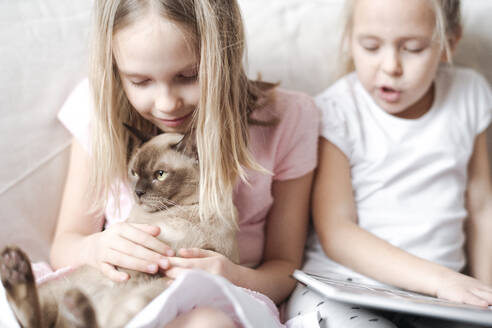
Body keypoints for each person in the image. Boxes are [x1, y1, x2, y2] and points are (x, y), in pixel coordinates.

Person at [49, 0, 319, 327]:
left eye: (188, 76)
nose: (167, 103)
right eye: (140, 81)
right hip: (115, 296)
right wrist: (96, 248)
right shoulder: (101, 111)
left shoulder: (286, 118)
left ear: (225, 56)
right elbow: (65, 244)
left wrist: (231, 275)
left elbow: (285, 266)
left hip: (215, 302)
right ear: (115, 68)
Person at [285, 0, 492, 327]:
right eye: (370, 46)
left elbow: (482, 209)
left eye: (412, 48)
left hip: (438, 300)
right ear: (349, 40)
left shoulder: (470, 94)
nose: (391, 66)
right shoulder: (336, 111)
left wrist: (484, 292)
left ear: (448, 44)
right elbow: (337, 232)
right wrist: (441, 280)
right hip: (344, 287)